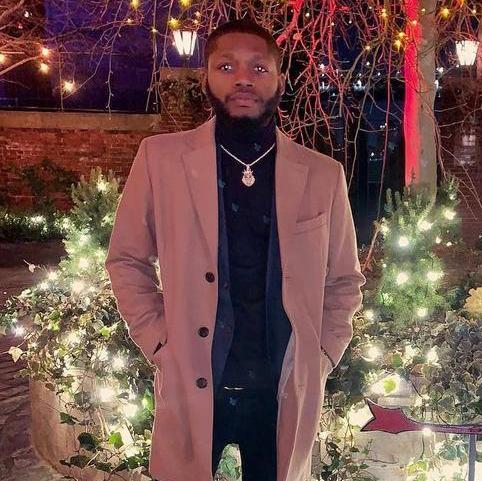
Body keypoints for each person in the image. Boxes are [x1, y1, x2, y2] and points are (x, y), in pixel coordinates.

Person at [105, 17, 366, 481]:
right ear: (206, 77)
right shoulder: (160, 160)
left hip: (281, 387)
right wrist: (158, 340)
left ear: (280, 80)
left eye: (259, 68)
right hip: (193, 377)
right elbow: (127, 258)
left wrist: (324, 353)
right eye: (226, 66)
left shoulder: (323, 175)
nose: (243, 78)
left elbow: (344, 278)